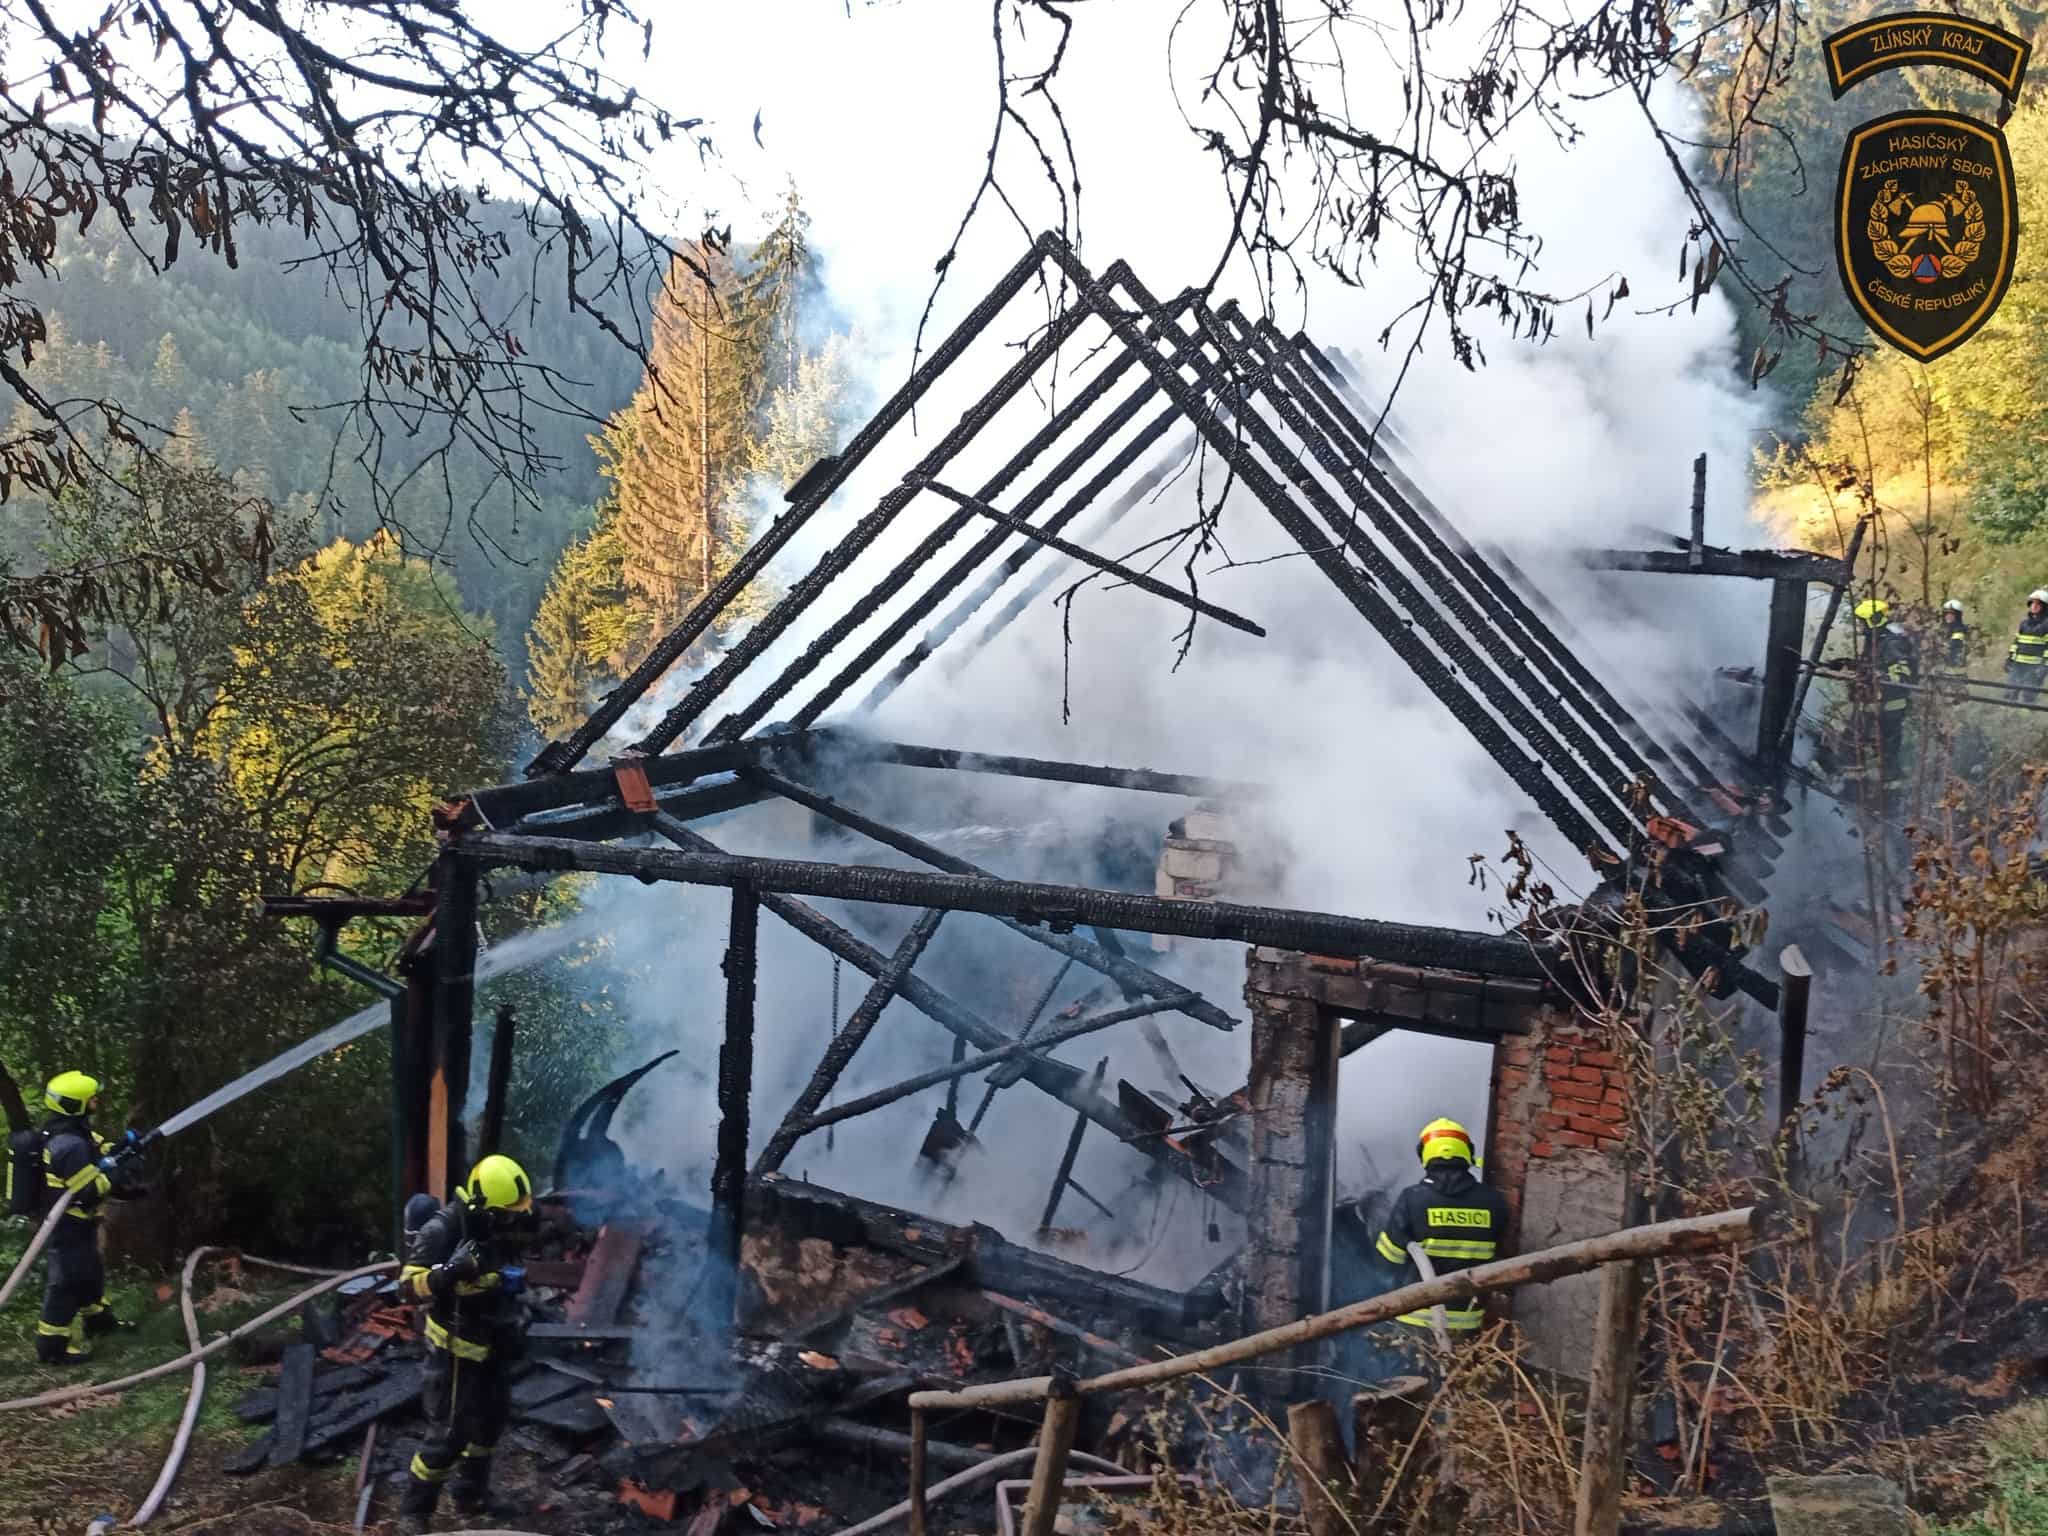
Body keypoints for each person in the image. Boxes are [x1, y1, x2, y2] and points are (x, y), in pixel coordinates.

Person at [395, 1155, 536, 1532]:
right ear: (479, 1204)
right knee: (448, 1434)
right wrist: (449, 1272)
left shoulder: (493, 1223)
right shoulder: (441, 1231)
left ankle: (470, 1494)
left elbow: (499, 1269)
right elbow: (407, 1288)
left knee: (491, 1421)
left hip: (494, 1340)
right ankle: (414, 1513)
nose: (511, 1221)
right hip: (455, 1348)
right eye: (505, 1214)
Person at [30, 1072, 142, 1363]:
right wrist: (120, 1171)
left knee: (90, 1272)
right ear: (76, 1104)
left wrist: (124, 1148)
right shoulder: (69, 1146)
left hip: (78, 1222)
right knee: (67, 1281)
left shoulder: (73, 1133)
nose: (96, 1102)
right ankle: (52, 1346)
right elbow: (90, 1191)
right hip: (67, 1224)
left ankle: (99, 1323)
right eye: (92, 1099)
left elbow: (99, 1150)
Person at [1372, 1117, 1511, 1341]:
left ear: (1424, 1154)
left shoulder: (1412, 1199)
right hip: (1467, 1324)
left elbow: (1388, 1260)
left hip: (1414, 1319)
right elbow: (1501, 1257)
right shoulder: (1493, 1201)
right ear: (1467, 1153)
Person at [1853, 598, 1917, 804]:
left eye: (1862, 622)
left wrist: (1879, 678)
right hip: (1878, 704)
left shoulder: (1891, 643)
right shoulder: (1877, 639)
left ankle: (1891, 798)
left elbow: (1902, 676)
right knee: (1863, 742)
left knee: (1888, 752)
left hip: (1891, 706)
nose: (1860, 627)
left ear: (1873, 620)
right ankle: (1864, 790)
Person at [2007, 589, 2048, 701]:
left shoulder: (2046, 624)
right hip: (2018, 665)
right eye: (2032, 603)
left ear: (2045, 607)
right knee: (2009, 694)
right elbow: (2016, 642)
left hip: (2034, 668)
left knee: (2028, 698)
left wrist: (2044, 667)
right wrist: (2010, 659)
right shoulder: (2024, 623)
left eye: (2038, 604)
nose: (2034, 606)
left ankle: (2027, 712)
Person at [1942, 599, 1969, 672]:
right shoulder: (1948, 628)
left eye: (1951, 614)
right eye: (1946, 614)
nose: (1948, 616)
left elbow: (1953, 645)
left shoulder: (1959, 629)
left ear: (1958, 615)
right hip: (1947, 665)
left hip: (1955, 667)